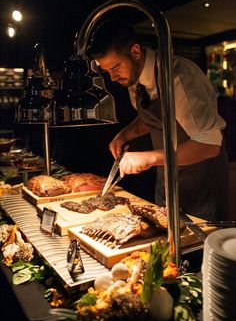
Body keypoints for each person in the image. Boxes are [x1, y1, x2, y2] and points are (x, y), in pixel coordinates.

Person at [87, 18, 228, 221]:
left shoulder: (179, 78)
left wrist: (149, 157)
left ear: (135, 52)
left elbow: (210, 145)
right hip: (167, 180)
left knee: (195, 248)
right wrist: (125, 134)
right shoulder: (134, 80)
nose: (112, 77)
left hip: (200, 183)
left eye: (116, 67)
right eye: (106, 71)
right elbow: (154, 118)